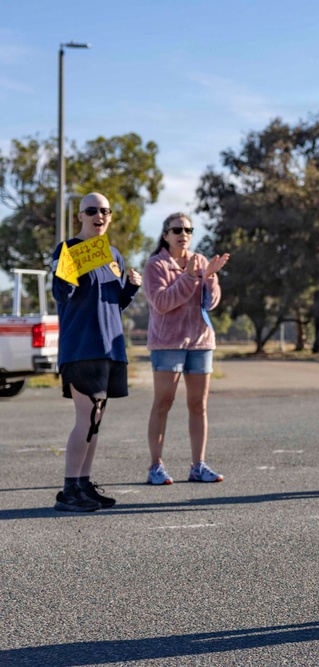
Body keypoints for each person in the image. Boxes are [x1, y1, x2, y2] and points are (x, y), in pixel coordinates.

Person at [50, 192, 142, 511]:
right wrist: (67, 272)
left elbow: (114, 304)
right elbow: (62, 294)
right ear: (80, 216)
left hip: (110, 346)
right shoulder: (67, 250)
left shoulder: (113, 254)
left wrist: (131, 287)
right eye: (92, 210)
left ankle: (84, 485)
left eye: (105, 211)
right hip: (82, 346)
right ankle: (68, 491)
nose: (98, 215)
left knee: (95, 420)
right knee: (86, 416)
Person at [143, 213, 230, 485]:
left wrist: (210, 278)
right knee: (163, 403)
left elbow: (211, 302)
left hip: (200, 342)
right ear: (166, 235)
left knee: (198, 405)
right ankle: (156, 466)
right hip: (167, 342)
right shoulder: (155, 265)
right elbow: (162, 302)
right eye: (177, 229)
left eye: (189, 229)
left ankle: (198, 465)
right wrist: (190, 277)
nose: (184, 234)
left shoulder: (201, 261)